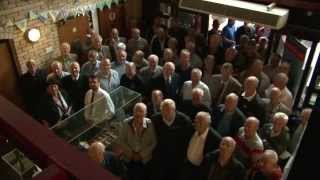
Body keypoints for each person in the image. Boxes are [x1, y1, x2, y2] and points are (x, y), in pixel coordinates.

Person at [150, 99, 192, 180]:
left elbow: (187, 141)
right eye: (163, 111)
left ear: (174, 110)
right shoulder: (155, 119)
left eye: (168, 110)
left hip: (176, 157)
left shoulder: (185, 121)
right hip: (160, 156)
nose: (166, 113)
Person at [118, 103, 156, 180]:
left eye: (140, 111)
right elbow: (121, 141)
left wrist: (141, 155)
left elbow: (153, 142)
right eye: (136, 111)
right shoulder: (126, 123)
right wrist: (132, 154)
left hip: (145, 160)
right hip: (129, 159)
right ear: (133, 112)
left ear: (145, 114)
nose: (138, 113)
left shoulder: (150, 124)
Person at [180, 112, 221, 180]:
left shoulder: (215, 139)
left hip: (200, 171)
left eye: (200, 123)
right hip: (186, 164)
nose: (197, 124)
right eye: (196, 121)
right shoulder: (191, 128)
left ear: (207, 124)